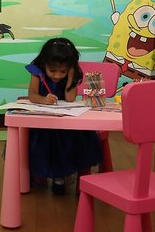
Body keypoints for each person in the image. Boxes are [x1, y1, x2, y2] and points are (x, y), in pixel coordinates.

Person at [25, 38, 102, 195]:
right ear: (44, 64)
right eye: (52, 70)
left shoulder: (70, 75)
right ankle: (46, 176)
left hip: (66, 121)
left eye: (63, 71)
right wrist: (44, 99)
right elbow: (32, 95)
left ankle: (62, 177)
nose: (57, 75)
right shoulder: (37, 72)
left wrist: (71, 75)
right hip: (43, 122)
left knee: (75, 136)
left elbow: (70, 98)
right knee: (46, 138)